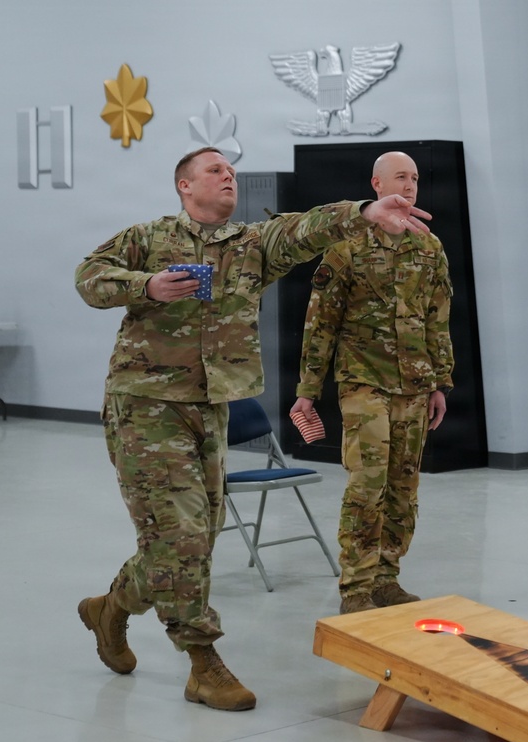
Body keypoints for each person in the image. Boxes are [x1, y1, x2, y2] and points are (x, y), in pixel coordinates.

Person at [74, 146, 431, 711]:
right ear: (184, 186)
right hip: (145, 405)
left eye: (232, 171)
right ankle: (201, 661)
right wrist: (146, 287)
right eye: (215, 170)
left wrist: (363, 211)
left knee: (193, 538)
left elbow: (303, 229)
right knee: (183, 539)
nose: (228, 177)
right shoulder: (147, 238)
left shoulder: (250, 246)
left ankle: (110, 609)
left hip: (210, 406)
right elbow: (89, 278)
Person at [291, 151, 454, 615]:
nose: (410, 185)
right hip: (364, 380)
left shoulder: (429, 248)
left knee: (403, 486)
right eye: (401, 177)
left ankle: (387, 578)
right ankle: (356, 588)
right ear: (377, 184)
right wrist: (308, 391)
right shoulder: (347, 246)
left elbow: (438, 319)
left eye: (416, 178)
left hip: (415, 384)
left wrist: (440, 382)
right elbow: (320, 323)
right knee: (368, 483)